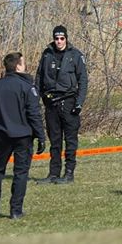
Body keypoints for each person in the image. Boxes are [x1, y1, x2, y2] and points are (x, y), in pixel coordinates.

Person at [0, 52, 46, 219]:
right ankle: (16, 211)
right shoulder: (27, 87)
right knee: (20, 173)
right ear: (18, 66)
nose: (25, 66)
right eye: (23, 63)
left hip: (0, 136)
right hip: (23, 136)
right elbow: (34, 114)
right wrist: (41, 136)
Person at [35, 25, 89, 184]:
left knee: (70, 141)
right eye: (56, 38)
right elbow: (39, 78)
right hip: (51, 103)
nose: (59, 41)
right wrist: (36, 98)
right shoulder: (46, 55)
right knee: (55, 141)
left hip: (69, 102)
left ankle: (69, 173)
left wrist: (79, 103)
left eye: (62, 38)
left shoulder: (75, 55)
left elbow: (83, 81)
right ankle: (53, 174)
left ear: (66, 38)